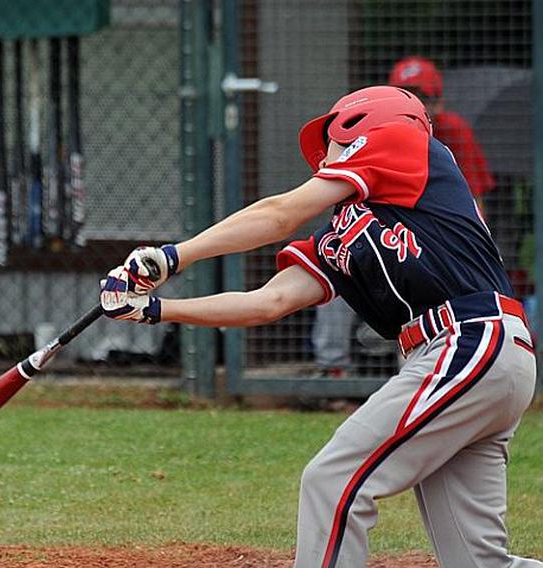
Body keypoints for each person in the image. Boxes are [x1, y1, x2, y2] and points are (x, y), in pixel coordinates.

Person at [100, 86, 540, 567]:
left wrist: (172, 256)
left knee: (334, 480)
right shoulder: (343, 236)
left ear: (361, 125)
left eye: (331, 140)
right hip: (476, 359)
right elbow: (267, 302)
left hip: (470, 341)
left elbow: (278, 214)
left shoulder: (405, 140)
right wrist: (158, 309)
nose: (325, 156)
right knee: (479, 564)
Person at [312, 55, 497, 380]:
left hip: (430, 246)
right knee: (332, 269)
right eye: (407, 95)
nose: (416, 106)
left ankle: (417, 378)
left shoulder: (452, 133)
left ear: (438, 102)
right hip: (381, 238)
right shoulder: (375, 135)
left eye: (423, 97)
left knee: (427, 300)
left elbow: (475, 201)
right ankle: (334, 370)